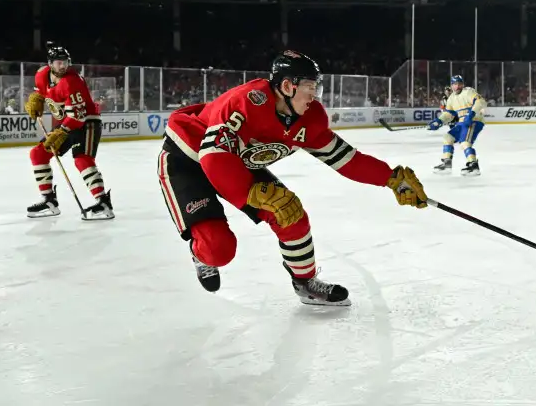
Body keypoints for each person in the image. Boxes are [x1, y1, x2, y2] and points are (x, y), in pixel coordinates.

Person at [157, 50, 428, 304]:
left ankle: (305, 283)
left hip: (235, 161)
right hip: (188, 161)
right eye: (311, 88)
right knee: (219, 249)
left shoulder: (309, 119)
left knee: (289, 212)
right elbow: (212, 156)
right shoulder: (247, 101)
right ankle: (200, 253)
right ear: (288, 86)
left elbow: (347, 160)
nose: (315, 96)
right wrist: (249, 194)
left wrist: (392, 179)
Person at [24, 45, 114, 220]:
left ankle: (103, 203)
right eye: (58, 63)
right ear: (50, 64)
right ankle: (49, 201)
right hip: (68, 122)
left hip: (87, 122)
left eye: (65, 62)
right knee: (38, 154)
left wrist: (61, 132)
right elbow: (40, 93)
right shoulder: (41, 75)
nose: (63, 66)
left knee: (82, 159)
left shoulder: (72, 81)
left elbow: (77, 118)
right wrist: (36, 100)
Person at [429, 74, 487, 176]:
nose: (457, 86)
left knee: (465, 142)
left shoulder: (468, 91)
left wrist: (471, 114)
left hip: (474, 120)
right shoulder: (451, 98)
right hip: (462, 122)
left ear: (463, 84)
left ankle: (473, 165)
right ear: (451, 85)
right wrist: (439, 121)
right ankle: (447, 163)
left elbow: (480, 101)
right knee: (448, 137)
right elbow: (449, 113)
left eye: (459, 84)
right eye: (455, 84)